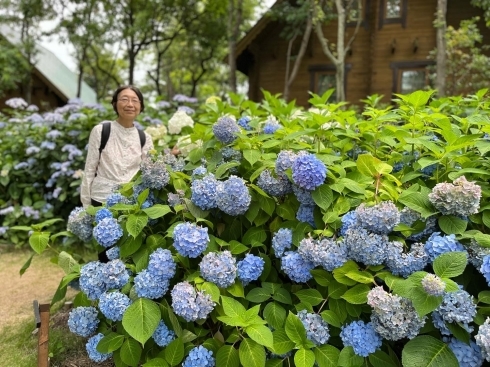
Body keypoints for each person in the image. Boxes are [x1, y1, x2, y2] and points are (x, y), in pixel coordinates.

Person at [80, 85, 154, 208]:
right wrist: (86, 206)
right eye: (124, 99)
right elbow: (89, 170)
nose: (130, 104)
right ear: (115, 104)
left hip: (130, 204)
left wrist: (170, 156)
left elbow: (148, 172)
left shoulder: (145, 138)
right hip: (100, 200)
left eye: (135, 101)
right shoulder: (101, 131)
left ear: (140, 106)